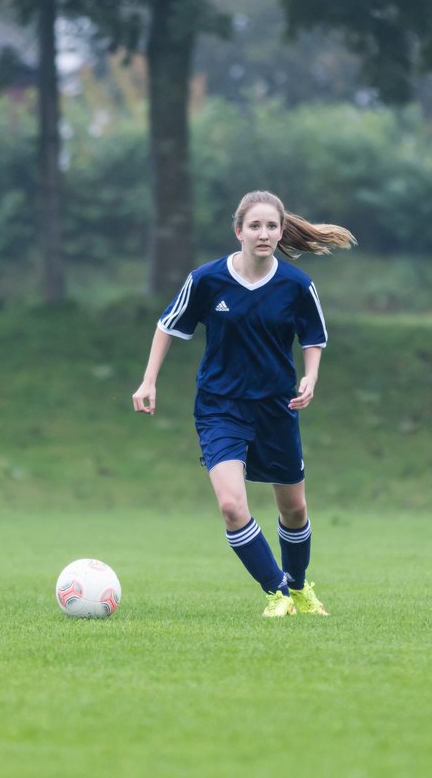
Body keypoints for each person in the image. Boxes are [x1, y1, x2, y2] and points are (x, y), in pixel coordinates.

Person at [131, 190, 355, 617]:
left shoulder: (297, 285)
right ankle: (277, 593)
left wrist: (310, 376)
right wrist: (148, 381)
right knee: (232, 506)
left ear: (281, 231)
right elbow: (167, 326)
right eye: (255, 225)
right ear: (239, 231)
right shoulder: (207, 280)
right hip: (221, 408)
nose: (264, 233)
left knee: (294, 509)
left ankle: (300, 586)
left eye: (272, 226)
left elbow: (313, 337)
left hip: (276, 408)